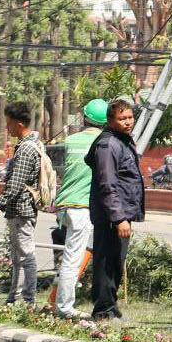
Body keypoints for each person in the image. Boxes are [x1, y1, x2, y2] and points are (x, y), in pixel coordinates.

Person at [87, 96, 145, 322]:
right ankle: (103, 311)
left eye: (130, 117)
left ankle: (110, 306)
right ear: (110, 120)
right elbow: (107, 184)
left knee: (115, 262)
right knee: (106, 263)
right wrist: (119, 217)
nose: (128, 122)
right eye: (122, 118)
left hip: (120, 214)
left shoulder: (122, 140)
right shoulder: (108, 145)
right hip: (112, 216)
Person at [0, 101, 44, 305]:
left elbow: (15, 184)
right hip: (20, 209)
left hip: (22, 209)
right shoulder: (31, 144)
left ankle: (28, 300)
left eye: (9, 124)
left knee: (26, 256)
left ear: (19, 124)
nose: (7, 128)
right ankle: (14, 298)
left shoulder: (26, 150)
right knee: (18, 257)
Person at [52, 99, 105, 319]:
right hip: (82, 207)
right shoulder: (103, 142)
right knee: (72, 260)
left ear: (84, 118)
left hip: (64, 205)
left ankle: (59, 301)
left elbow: (61, 169)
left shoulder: (70, 140)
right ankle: (64, 307)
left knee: (70, 257)